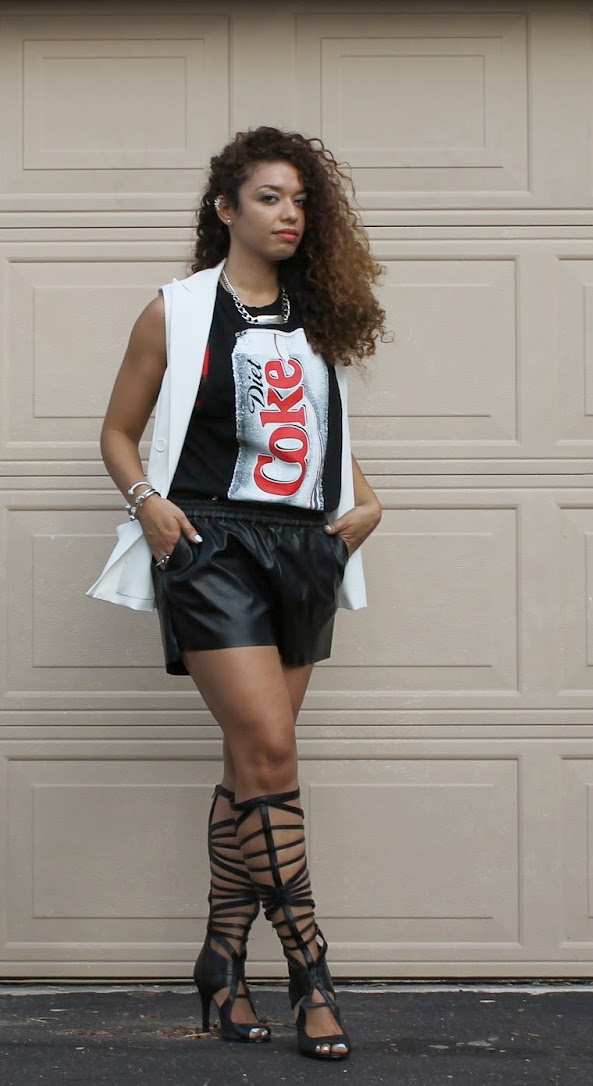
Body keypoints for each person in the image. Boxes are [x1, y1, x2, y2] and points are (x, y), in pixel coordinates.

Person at [88, 127, 386, 1061]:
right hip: (211, 545)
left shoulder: (316, 318)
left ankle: (221, 963)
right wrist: (149, 504)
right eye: (269, 197)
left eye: (301, 200)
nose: (290, 213)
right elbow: (118, 432)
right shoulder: (176, 312)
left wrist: (366, 501)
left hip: (302, 552)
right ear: (225, 209)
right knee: (271, 748)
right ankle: (312, 970)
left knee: (249, 768)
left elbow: (322, 431)